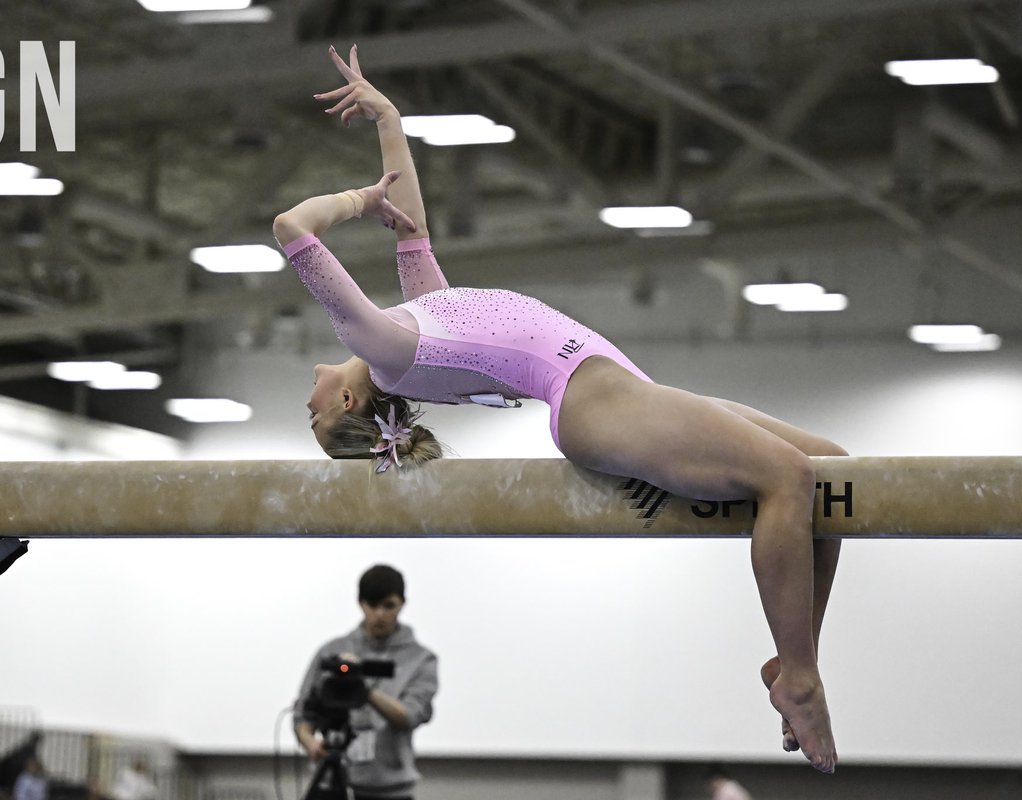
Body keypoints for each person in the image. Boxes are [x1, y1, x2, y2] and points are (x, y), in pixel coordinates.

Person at [274, 45, 845, 773]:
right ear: (351, 400)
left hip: (614, 383)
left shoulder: (415, 320)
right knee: (788, 476)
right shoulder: (376, 343)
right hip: (589, 399)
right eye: (314, 414)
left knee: (829, 465)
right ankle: (800, 677)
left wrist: (388, 119)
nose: (308, 394)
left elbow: (410, 226)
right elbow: (292, 228)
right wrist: (359, 199)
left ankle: (793, 659)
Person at [294, 564, 438, 800]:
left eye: (388, 606)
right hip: (333, 780)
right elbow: (303, 713)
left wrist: (363, 690)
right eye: (372, 605)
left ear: (402, 603)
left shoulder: (420, 659)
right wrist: (309, 742)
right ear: (361, 603)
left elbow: (410, 716)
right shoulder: (332, 652)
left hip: (391, 790)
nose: (380, 614)